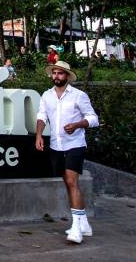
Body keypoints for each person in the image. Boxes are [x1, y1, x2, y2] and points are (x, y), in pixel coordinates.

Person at [35, 60, 99, 245]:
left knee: (72, 182)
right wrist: (39, 135)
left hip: (75, 144)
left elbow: (93, 119)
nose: (56, 76)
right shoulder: (46, 96)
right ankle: (84, 223)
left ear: (67, 76)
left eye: (60, 73)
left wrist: (78, 125)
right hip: (56, 145)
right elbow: (41, 116)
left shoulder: (79, 96)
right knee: (67, 183)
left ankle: (77, 228)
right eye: (54, 73)